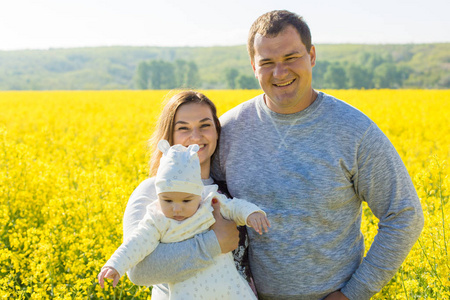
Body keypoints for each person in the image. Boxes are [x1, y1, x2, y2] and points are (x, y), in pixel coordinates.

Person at [211, 10, 424, 300]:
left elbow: (404, 215)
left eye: (290, 58)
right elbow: (192, 197)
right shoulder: (228, 130)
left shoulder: (354, 131)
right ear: (253, 66)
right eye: (267, 63)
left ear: (311, 55)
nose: (280, 72)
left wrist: (353, 294)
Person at [118, 91, 258, 299]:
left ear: (217, 132)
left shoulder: (226, 190)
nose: (195, 137)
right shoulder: (152, 191)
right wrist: (214, 244)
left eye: (205, 125)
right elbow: (138, 271)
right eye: (183, 128)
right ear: (169, 136)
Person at [98, 140, 269, 299]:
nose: (177, 208)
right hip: (187, 293)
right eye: (167, 200)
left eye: (186, 200)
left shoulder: (209, 202)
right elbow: (136, 244)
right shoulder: (157, 220)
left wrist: (251, 213)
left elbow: (234, 207)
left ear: (198, 193)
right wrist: (115, 265)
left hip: (229, 287)